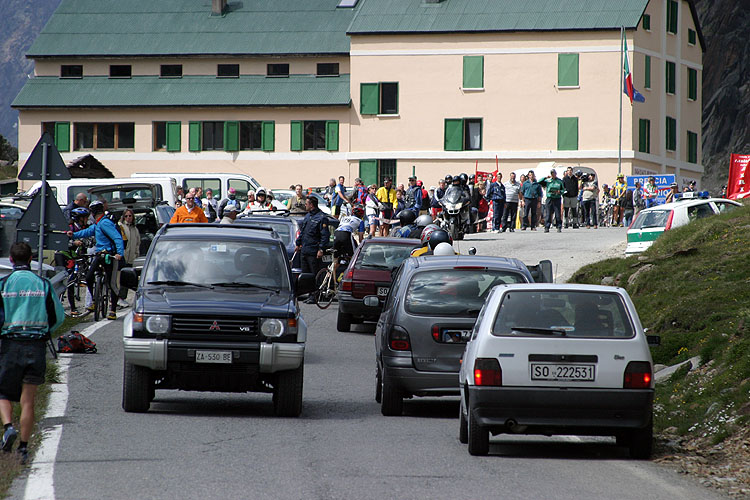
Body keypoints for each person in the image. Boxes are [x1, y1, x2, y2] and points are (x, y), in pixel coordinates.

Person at [0, 242, 64, 464]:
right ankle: (24, 449)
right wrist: (46, 332)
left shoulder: (4, 284)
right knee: (28, 400)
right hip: (36, 345)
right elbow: (58, 317)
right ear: (30, 260)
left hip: (10, 345)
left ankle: (8, 427)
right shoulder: (43, 284)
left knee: (3, 393)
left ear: (10, 260)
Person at [70, 201, 125, 320]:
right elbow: (87, 232)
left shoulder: (105, 223)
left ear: (93, 212)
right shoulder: (98, 224)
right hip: (99, 255)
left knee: (112, 283)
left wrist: (119, 253)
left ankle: (113, 310)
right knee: (89, 276)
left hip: (109, 255)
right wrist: (73, 235)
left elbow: (117, 237)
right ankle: (95, 299)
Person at [295, 197, 330, 304]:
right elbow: (303, 232)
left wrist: (321, 249)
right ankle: (309, 294)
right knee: (306, 275)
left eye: (306, 204)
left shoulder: (321, 217)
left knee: (314, 274)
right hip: (305, 249)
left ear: (312, 205)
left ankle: (315, 295)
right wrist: (298, 243)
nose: (305, 205)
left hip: (314, 251)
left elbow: (325, 236)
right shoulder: (308, 216)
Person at [116, 208, 140, 307]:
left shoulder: (135, 228)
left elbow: (138, 243)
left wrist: (136, 254)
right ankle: (119, 298)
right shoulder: (120, 226)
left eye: (130, 216)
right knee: (120, 279)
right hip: (123, 256)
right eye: (126, 216)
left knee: (128, 279)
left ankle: (124, 298)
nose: (128, 218)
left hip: (132, 258)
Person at [332, 206, 363, 279]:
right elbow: (361, 238)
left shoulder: (344, 218)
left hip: (336, 234)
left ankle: (331, 278)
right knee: (353, 256)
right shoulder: (360, 221)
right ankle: (351, 277)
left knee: (337, 260)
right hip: (346, 234)